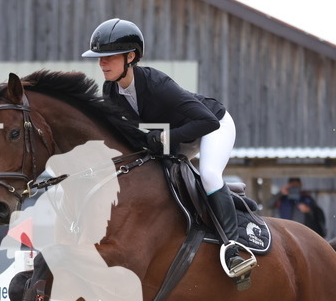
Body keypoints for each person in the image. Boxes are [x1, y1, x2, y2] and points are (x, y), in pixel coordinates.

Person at [81, 18, 255, 280]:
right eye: (99, 58)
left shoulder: (156, 83)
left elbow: (205, 121)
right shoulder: (111, 91)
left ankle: (233, 248)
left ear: (131, 56)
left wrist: (164, 138)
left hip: (214, 124)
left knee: (208, 174)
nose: (101, 63)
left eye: (109, 57)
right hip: (177, 135)